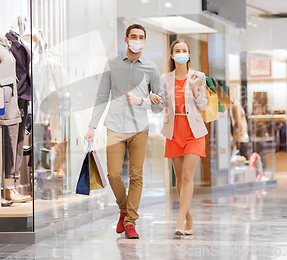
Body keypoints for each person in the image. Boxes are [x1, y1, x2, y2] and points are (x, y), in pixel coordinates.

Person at [84, 24, 165, 239]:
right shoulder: (111, 65)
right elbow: (102, 97)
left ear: (144, 41)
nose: (138, 40)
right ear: (126, 39)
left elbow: (160, 104)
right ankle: (123, 208)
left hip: (140, 129)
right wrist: (92, 126)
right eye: (134, 36)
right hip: (116, 128)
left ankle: (130, 222)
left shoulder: (151, 68)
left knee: (136, 176)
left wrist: (142, 101)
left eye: (141, 37)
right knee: (113, 174)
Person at [149, 39, 208, 236]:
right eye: (177, 50)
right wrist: (154, 100)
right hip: (174, 131)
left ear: (189, 55)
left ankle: (180, 219)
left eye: (185, 50)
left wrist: (193, 89)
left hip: (194, 131)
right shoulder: (164, 79)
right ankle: (189, 217)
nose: (181, 53)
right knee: (179, 179)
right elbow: (158, 110)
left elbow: (204, 106)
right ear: (172, 55)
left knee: (187, 176)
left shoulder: (199, 76)